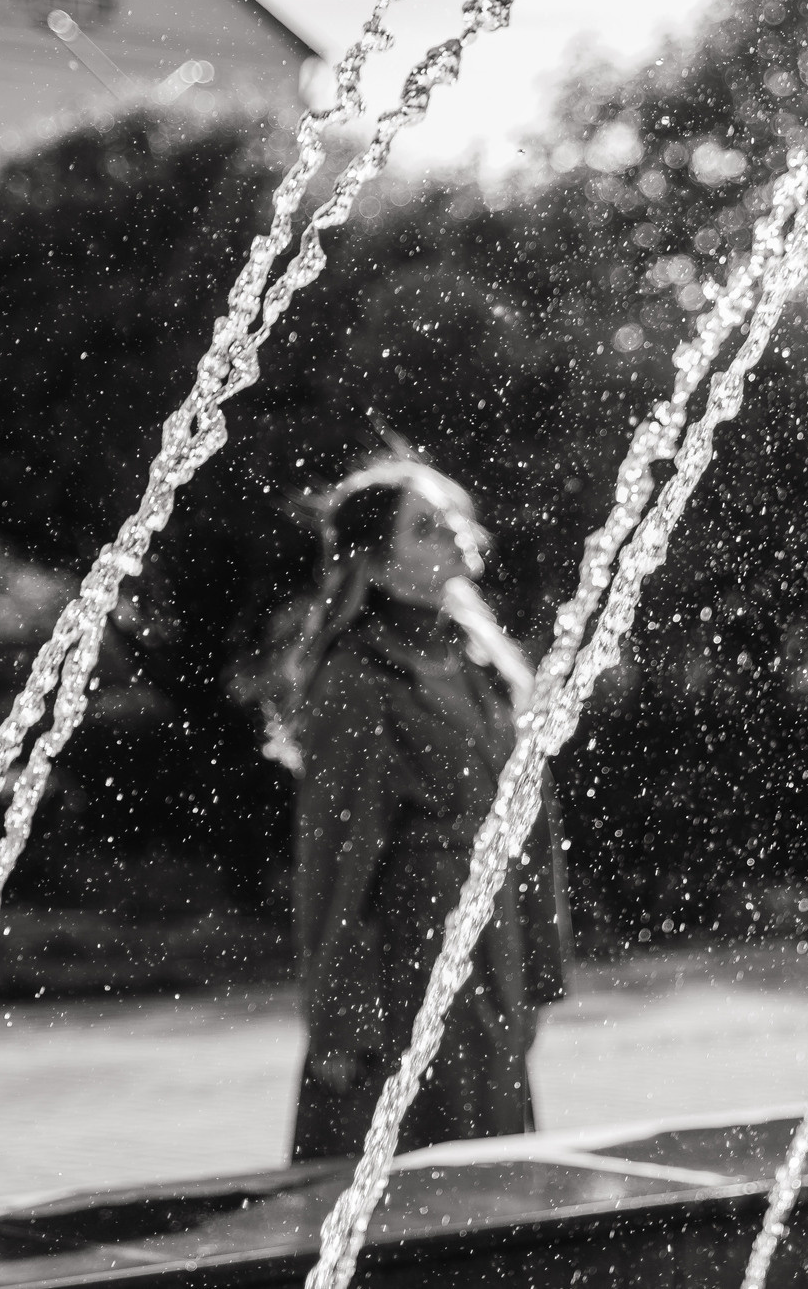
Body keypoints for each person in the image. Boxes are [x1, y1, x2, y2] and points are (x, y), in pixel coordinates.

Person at [261, 453, 571, 1163]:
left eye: (451, 516)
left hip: (492, 943)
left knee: (494, 1172)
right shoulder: (358, 678)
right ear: (376, 564)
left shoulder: (483, 665)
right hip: (407, 953)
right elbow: (334, 860)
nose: (455, 531)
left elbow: (534, 823)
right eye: (425, 527)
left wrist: (541, 971)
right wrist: (339, 1018)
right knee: (411, 1167)